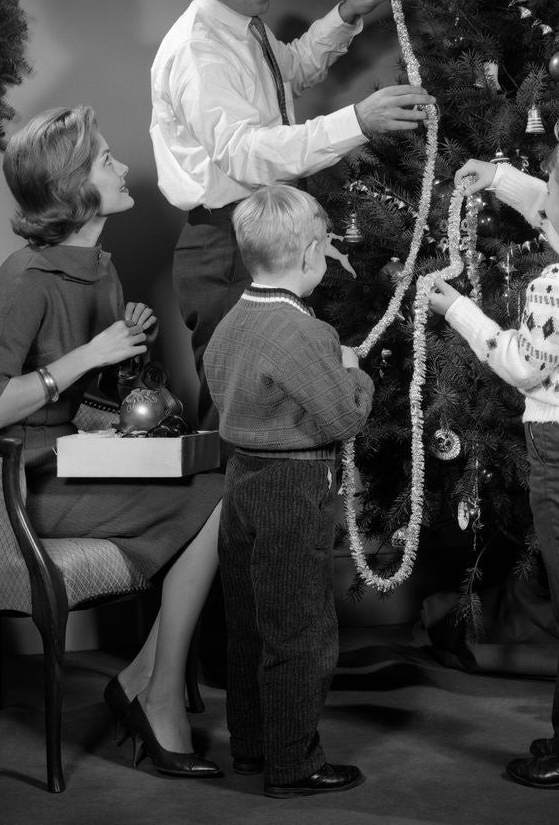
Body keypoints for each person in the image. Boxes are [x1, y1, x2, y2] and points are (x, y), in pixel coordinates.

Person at [0, 106, 224, 780]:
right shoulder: (24, 277)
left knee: (220, 481)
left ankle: (147, 676)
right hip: (25, 492)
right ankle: (157, 691)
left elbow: (98, 406)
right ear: (72, 186)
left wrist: (120, 361)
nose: (120, 164)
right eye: (105, 158)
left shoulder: (101, 267)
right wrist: (85, 356)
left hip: (77, 466)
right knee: (217, 497)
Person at [150, 0, 434, 427]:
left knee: (277, 404)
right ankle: (224, 513)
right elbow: (246, 155)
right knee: (238, 414)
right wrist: (357, 121)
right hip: (231, 244)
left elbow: (290, 72)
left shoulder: (242, 24)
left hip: (261, 235)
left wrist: (346, 15)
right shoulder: (199, 50)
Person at [428, 130, 559, 794]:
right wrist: (498, 179)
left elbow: (520, 365)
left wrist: (457, 310)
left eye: (549, 189)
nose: (543, 200)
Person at [202, 184, 374, 798]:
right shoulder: (305, 333)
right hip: (294, 486)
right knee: (299, 631)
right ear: (307, 257)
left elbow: (224, 389)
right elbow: (343, 418)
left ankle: (252, 748)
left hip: (241, 477)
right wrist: (355, 375)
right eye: (325, 248)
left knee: (249, 623)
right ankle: (294, 765)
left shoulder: (231, 321)